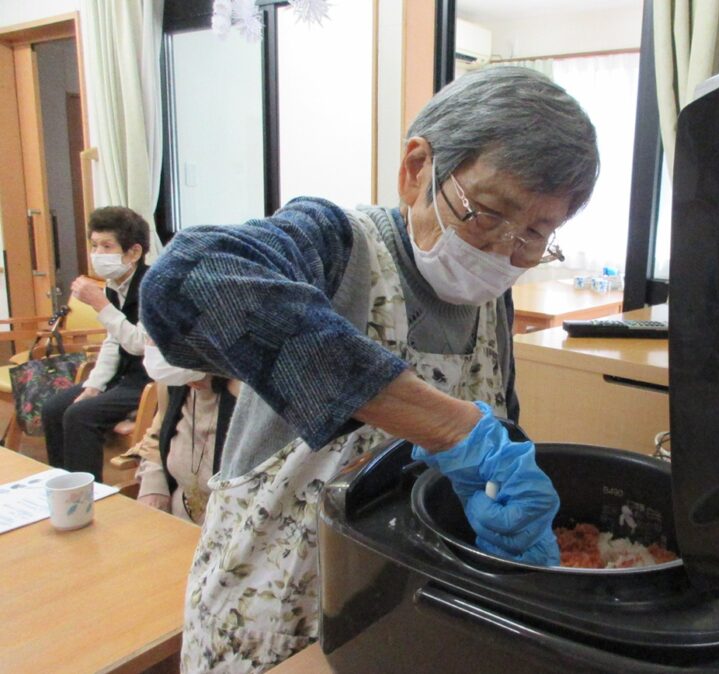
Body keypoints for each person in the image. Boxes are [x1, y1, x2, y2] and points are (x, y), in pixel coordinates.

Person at [140, 67, 599, 672]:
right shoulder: (339, 248)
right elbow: (187, 280)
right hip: (275, 630)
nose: (502, 252)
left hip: (399, 624)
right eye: (487, 214)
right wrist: (448, 427)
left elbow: (490, 440)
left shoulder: (494, 300)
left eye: (537, 235)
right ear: (416, 170)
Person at [43, 206, 151, 481]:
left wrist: (100, 304)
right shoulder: (113, 286)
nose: (97, 254)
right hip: (120, 376)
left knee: (80, 415)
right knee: (54, 409)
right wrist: (94, 386)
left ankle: (87, 495)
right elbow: (112, 342)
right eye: (94, 246)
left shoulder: (152, 285)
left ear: (134, 252)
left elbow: (139, 344)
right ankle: (65, 486)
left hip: (147, 378)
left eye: (107, 246)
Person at [132, 343, 239, 524]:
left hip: (228, 528)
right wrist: (153, 486)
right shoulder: (174, 385)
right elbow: (156, 438)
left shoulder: (249, 397)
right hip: (177, 519)